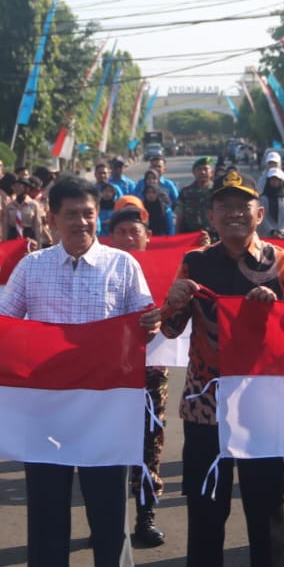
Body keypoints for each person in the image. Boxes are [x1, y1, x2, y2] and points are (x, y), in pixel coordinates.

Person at [0, 175, 157, 567]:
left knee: (109, 518)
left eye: (88, 212)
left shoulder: (123, 267)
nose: (81, 221)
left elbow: (144, 328)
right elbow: (3, 326)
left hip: (104, 412)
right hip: (47, 413)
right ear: (52, 218)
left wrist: (154, 320)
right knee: (47, 519)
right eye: (71, 214)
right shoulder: (32, 269)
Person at [160, 170, 284, 567]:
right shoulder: (195, 262)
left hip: (265, 408)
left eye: (242, 205)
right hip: (207, 407)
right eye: (223, 206)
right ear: (211, 216)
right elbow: (169, 330)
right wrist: (174, 300)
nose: (233, 213)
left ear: (260, 214)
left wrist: (279, 310)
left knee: (267, 510)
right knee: (207, 510)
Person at [107, 203, 170, 549]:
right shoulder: (99, 269)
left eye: (135, 232)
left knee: (149, 446)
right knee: (108, 445)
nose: (129, 238)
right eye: (122, 232)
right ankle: (106, 519)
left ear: (148, 237)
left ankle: (146, 516)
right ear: (111, 238)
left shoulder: (166, 271)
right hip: (107, 371)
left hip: (150, 370)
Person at [177, 158, 217, 237]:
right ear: (194, 172)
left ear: (212, 172)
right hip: (190, 236)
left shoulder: (217, 192)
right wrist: (178, 236)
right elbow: (180, 216)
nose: (202, 172)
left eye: (205, 169)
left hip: (213, 236)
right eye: (199, 169)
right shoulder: (185, 192)